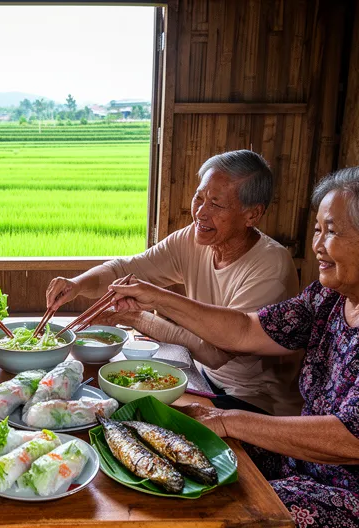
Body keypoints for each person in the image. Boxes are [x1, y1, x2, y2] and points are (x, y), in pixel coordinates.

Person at [107, 162, 359, 527]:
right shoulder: (330, 297)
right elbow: (244, 331)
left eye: (332, 232)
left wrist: (229, 420)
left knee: (245, 509)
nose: (318, 244)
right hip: (318, 465)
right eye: (317, 229)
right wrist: (158, 298)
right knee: (177, 450)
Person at [46, 150, 301, 415]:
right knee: (104, 396)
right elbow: (128, 269)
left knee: (127, 411)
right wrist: (76, 284)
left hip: (253, 403)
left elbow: (216, 353)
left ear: (252, 215)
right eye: (199, 198)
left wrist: (138, 318)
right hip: (204, 380)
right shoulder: (193, 238)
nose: (201, 213)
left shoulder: (271, 267)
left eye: (216, 204)